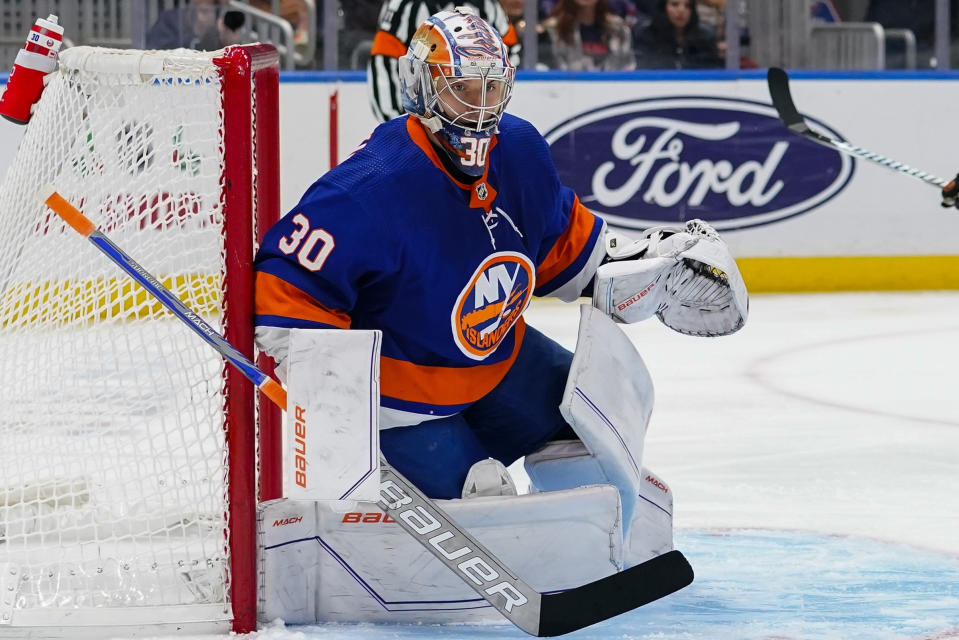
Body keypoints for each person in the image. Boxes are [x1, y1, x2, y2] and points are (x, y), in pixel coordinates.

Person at [254, 8, 746, 499]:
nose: (479, 106)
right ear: (425, 89)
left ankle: (587, 539)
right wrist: (335, 403)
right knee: (482, 500)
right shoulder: (372, 185)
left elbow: (565, 250)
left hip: (497, 364)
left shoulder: (520, 148)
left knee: (600, 416)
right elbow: (285, 290)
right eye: (461, 88)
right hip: (402, 399)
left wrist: (651, 269)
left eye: (490, 88)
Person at [367, 0, 518, 122]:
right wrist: (399, 127)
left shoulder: (488, 6)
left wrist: (489, 112)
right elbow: (383, 65)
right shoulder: (405, 6)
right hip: (424, 128)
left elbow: (508, 58)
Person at [541, 0, 636, 70]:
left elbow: (627, 67)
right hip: (566, 92)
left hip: (613, 92)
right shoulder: (553, 29)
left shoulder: (617, 29)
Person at [633, 0, 722, 69]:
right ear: (663, 8)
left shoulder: (705, 37)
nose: (681, 10)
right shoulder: (647, 35)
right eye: (675, 4)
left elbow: (712, 68)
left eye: (688, 6)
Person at [146, 0, 245, 50]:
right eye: (204, 10)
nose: (210, 13)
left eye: (213, 8)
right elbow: (155, 51)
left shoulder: (219, 27)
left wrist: (228, 45)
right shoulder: (170, 20)